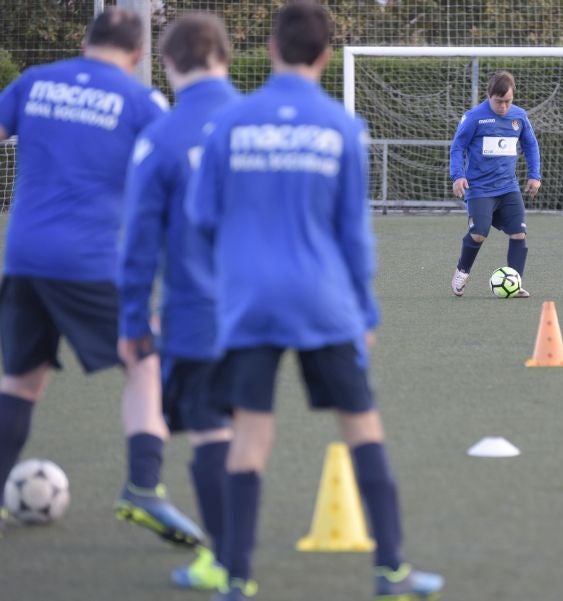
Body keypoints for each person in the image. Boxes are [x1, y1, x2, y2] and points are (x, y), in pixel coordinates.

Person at [186, 2, 443, 600]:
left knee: (250, 438)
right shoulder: (341, 128)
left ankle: (237, 576)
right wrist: (366, 313)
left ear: (272, 48)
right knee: (361, 428)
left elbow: (200, 216)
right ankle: (391, 571)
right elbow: (354, 237)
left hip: (249, 302)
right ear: (327, 56)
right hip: (323, 303)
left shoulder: (229, 122)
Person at [0, 7, 203, 547]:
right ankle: (142, 486)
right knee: (143, 363)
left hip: (23, 256)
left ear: (85, 41)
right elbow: (176, 167)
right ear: (138, 54)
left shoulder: (35, 82)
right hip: (90, 260)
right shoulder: (141, 100)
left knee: (22, 379)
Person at [118, 12, 240, 589]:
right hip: (274, 309)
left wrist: (132, 320)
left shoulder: (162, 135)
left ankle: (228, 562)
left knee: (213, 430)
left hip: (201, 311)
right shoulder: (259, 120)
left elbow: (137, 244)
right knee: (250, 426)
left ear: (165, 65)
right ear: (225, 55)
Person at [449, 70, 541, 297]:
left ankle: (515, 283)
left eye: (508, 101)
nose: (504, 106)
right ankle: (462, 270)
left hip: (508, 188)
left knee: (519, 233)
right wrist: (458, 176)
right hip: (479, 189)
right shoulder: (474, 117)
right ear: (489, 95)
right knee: (479, 233)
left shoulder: (519, 117)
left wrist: (534, 175)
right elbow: (457, 147)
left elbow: (531, 145)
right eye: (499, 102)